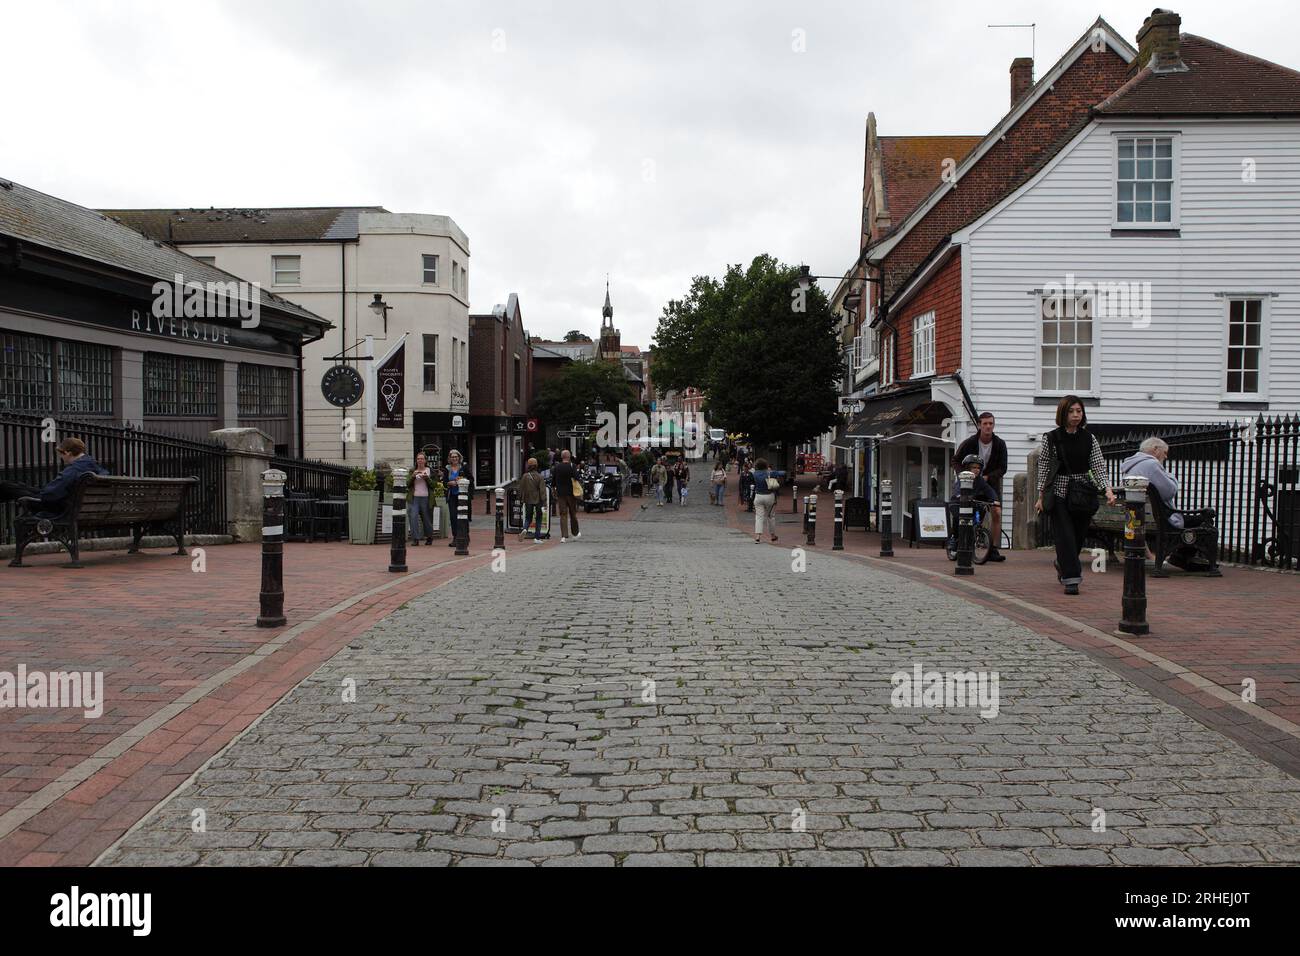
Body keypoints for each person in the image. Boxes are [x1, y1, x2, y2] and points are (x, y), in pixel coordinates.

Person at [1035, 396, 1117, 595]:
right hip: (1060, 492)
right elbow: (1044, 468)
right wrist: (1040, 496)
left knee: (1079, 536)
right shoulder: (1051, 438)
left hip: (1082, 493)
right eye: (1071, 411)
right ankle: (1071, 579)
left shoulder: (1089, 438)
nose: (1075, 415)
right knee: (1065, 536)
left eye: (1079, 411)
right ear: (1063, 413)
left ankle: (1062, 563)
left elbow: (1098, 466)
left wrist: (1107, 489)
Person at [1120, 437, 1215, 570]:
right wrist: (1171, 477)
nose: (1166, 456)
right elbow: (1170, 491)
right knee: (1203, 521)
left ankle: (1181, 558)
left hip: (1137, 518)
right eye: (1165, 452)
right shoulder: (1151, 464)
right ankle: (1180, 558)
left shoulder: (1130, 465)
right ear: (1155, 449)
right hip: (1159, 518)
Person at [0, 437, 108, 513]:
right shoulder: (96, 467)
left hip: (62, 508)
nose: (61, 457)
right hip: (80, 507)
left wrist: (42, 492)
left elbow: (50, 494)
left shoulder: (75, 469)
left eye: (61, 454)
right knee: (19, 486)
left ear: (68, 452)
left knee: (6, 487)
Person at [954, 412, 1008, 561]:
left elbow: (1003, 468)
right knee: (968, 515)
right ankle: (963, 544)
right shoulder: (970, 442)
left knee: (996, 511)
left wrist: (988, 477)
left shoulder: (999, 444)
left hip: (989, 485)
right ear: (979, 425)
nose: (988, 426)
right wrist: (965, 476)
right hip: (970, 485)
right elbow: (956, 461)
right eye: (985, 423)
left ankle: (994, 549)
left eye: (991, 423)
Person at [946, 454, 1000, 554]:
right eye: (973, 467)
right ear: (967, 468)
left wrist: (995, 499)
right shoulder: (963, 477)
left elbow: (989, 490)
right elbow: (958, 489)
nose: (976, 470)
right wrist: (959, 495)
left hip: (971, 503)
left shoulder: (980, 480)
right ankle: (954, 539)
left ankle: (976, 531)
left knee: (980, 510)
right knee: (959, 519)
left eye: (979, 468)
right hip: (957, 503)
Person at [442, 449, 473, 546]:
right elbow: (444, 482)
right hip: (452, 495)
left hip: (462, 496)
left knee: (463, 516)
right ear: (450, 458)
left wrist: (460, 482)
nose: (454, 458)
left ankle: (465, 536)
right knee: (453, 517)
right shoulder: (447, 469)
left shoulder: (464, 467)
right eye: (452, 457)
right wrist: (448, 483)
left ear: (459, 457)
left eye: (456, 456)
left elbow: (471, 479)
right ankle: (455, 537)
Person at [551, 449, 581, 542]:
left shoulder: (557, 467)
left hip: (561, 494)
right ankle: (575, 533)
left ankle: (563, 536)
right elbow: (577, 477)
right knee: (573, 513)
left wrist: (554, 490)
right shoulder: (572, 466)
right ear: (569, 457)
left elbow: (553, 481)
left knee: (563, 514)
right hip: (571, 494)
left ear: (562, 457)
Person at [750, 457, 779, 543]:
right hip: (769, 496)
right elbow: (782, 473)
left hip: (758, 496)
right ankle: (773, 535)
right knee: (771, 516)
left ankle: (758, 536)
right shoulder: (770, 473)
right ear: (766, 465)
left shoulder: (755, 473)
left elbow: (751, 470)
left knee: (759, 516)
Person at [408, 452, 435, 546]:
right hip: (414, 498)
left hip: (426, 497)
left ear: (425, 460)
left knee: (427, 519)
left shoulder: (429, 470)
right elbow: (407, 484)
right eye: (418, 459)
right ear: (416, 460)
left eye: (422, 459)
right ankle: (415, 539)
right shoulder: (412, 470)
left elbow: (434, 485)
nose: (420, 460)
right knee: (413, 517)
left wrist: (426, 478)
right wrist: (413, 477)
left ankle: (429, 537)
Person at [518, 457, 545, 541]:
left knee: (528, 517)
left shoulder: (525, 476)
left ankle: (525, 529)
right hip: (538, 500)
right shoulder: (540, 476)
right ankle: (537, 538)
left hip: (528, 499)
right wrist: (544, 501)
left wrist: (520, 499)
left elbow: (521, 489)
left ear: (528, 466)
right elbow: (542, 490)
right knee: (539, 518)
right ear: (536, 466)